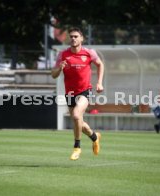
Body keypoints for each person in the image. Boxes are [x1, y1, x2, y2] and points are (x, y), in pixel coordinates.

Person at [51, 27, 104, 160]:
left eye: (76, 36)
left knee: (75, 115)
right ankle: (95, 137)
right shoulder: (62, 55)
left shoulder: (89, 53)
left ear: (82, 39)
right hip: (70, 93)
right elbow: (53, 75)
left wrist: (99, 82)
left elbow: (100, 64)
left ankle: (77, 147)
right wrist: (60, 68)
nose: (73, 38)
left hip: (85, 91)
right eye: (71, 36)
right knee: (79, 122)